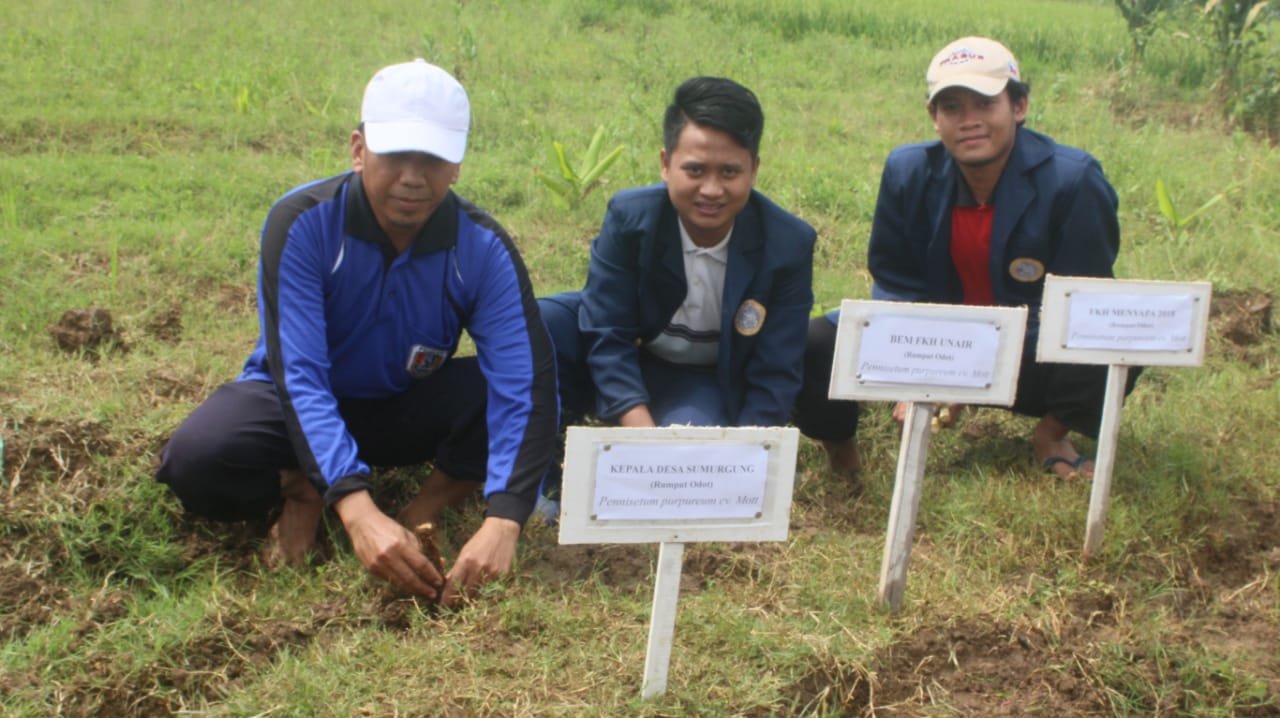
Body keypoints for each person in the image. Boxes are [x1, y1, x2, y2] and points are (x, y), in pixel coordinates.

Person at [156, 59, 558, 606]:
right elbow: (299, 376)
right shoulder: (301, 223)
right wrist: (353, 504)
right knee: (198, 458)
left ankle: (421, 512)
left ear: (457, 165)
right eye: (395, 155)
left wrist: (505, 520)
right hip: (295, 401)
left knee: (503, 394)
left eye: (434, 158)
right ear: (358, 149)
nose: (413, 177)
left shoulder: (482, 247)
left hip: (398, 403)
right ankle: (300, 488)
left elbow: (523, 384)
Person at [796, 37, 1139, 480]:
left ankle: (1053, 433)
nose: (970, 121)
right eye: (952, 107)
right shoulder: (907, 171)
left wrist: (966, 363)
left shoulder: (1073, 181)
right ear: (933, 117)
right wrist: (918, 364)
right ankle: (841, 453)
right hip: (939, 336)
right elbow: (896, 280)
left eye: (985, 103)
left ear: (1019, 107)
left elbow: (1080, 303)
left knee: (1117, 332)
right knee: (812, 341)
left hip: (1031, 350)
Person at [537, 77, 816, 511]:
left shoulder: (788, 244)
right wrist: (640, 431)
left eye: (730, 172)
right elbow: (606, 331)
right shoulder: (631, 218)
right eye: (695, 170)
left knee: (687, 462)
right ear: (666, 164)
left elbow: (777, 369)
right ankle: (542, 485)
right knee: (540, 324)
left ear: (754, 170)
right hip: (631, 353)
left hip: (700, 377)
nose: (710, 190)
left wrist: (743, 461)